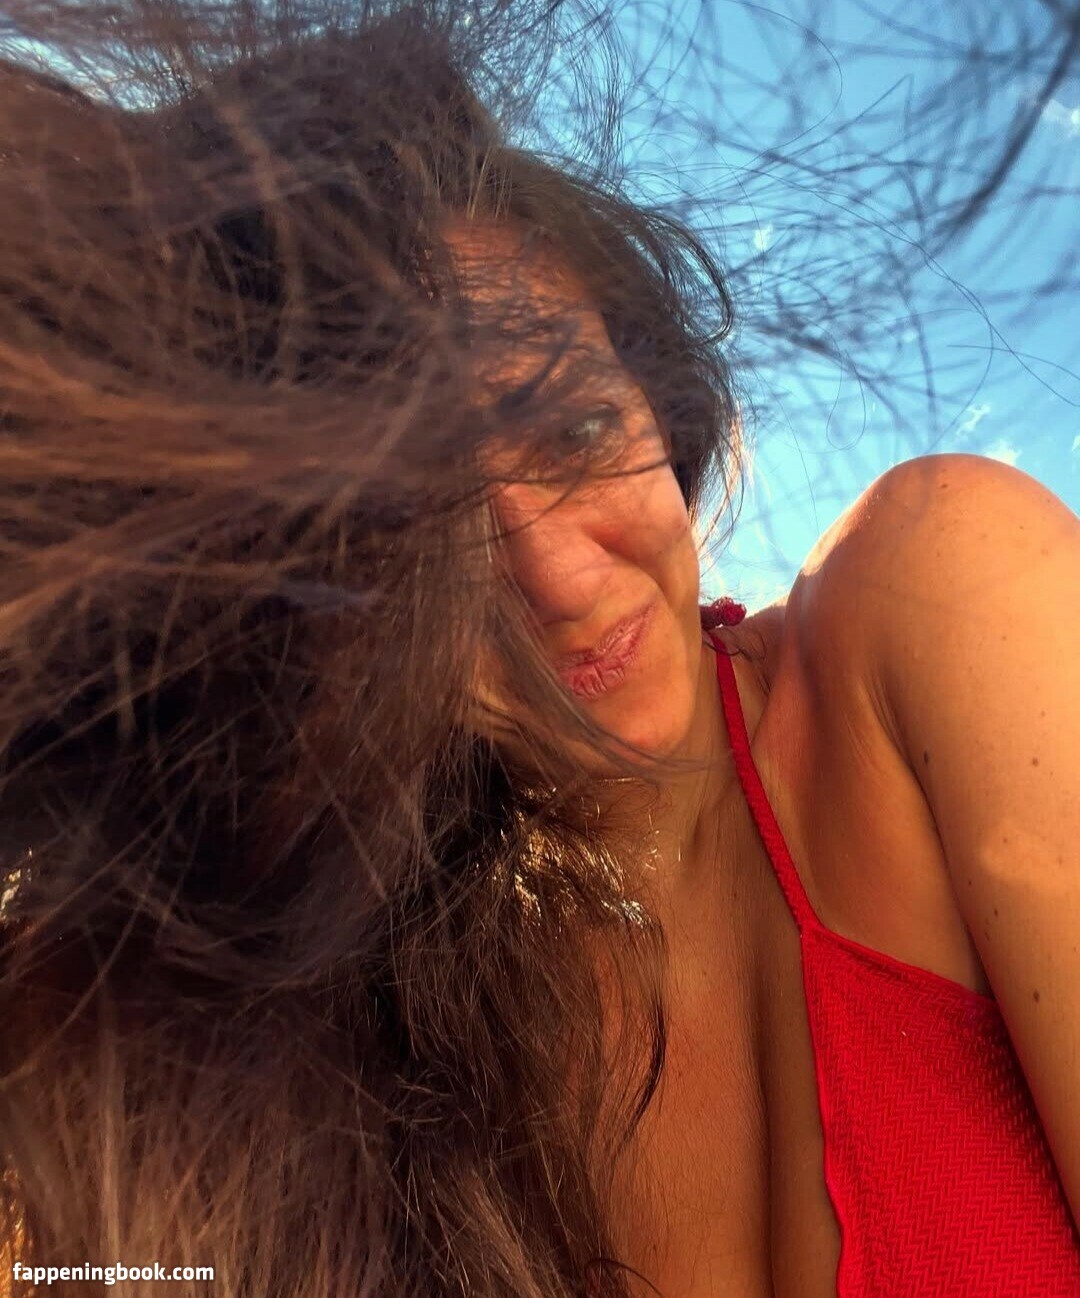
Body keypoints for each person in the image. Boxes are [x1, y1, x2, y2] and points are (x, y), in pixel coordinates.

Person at [0, 3, 1076, 1297]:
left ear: (657, 398)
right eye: (419, 537)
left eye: (575, 430)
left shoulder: (934, 585)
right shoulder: (368, 1046)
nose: (561, 580)